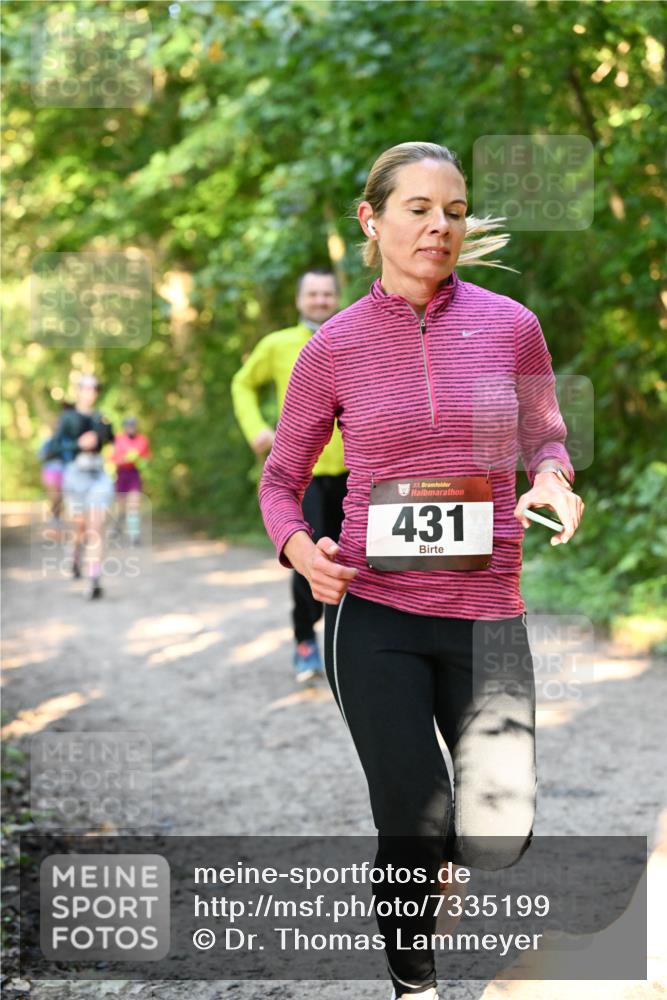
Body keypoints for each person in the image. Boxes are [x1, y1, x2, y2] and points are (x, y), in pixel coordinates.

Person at [259, 142, 584, 999]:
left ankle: (449, 857)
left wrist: (552, 478)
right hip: (376, 613)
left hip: (487, 611)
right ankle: (415, 984)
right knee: (411, 814)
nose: (440, 225)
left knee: (495, 837)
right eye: (418, 209)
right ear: (371, 220)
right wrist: (301, 551)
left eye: (454, 210)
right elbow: (281, 480)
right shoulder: (332, 347)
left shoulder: (510, 326)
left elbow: (545, 437)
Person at [232, 268, 348, 683]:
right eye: (312, 294)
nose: (320, 300)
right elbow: (242, 384)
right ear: (299, 300)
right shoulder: (277, 344)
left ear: (337, 298)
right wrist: (256, 429)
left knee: (357, 560)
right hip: (304, 475)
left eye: (327, 293)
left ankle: (348, 645)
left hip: (355, 473)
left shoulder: (353, 337)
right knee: (307, 558)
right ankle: (304, 641)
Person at [47, 374, 115, 599]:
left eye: (94, 389)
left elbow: (113, 441)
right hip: (75, 476)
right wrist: (78, 444)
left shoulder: (100, 417)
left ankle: (94, 578)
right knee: (80, 528)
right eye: (87, 388)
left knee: (97, 526)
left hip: (98, 476)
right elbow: (54, 447)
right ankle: (75, 555)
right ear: (79, 390)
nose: (91, 393)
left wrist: (103, 437)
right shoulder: (68, 418)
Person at [112, 416, 151, 545]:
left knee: (134, 504)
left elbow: (147, 458)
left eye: (132, 426)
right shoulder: (119, 439)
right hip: (122, 474)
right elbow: (113, 458)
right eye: (128, 426)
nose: (131, 428)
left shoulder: (142, 440)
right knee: (121, 506)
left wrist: (140, 461)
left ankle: (134, 534)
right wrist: (124, 459)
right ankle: (118, 525)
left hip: (134, 474)